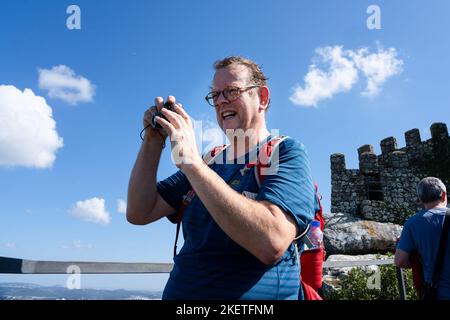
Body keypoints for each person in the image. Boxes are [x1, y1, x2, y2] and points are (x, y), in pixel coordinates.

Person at [126, 56, 315, 300]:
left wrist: (192, 164)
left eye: (232, 91)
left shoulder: (285, 152)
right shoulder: (210, 162)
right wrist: (153, 140)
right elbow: (139, 211)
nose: (221, 101)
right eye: (215, 95)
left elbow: (272, 242)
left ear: (263, 98)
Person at [395, 177, 450, 300]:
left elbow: (400, 261)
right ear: (444, 195)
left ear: (420, 199)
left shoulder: (412, 224)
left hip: (438, 293)